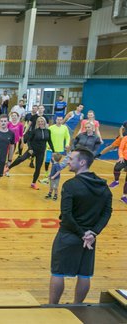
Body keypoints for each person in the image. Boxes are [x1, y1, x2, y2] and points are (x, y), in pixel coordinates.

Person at [48, 148, 112, 304]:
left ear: (82, 162)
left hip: (69, 235)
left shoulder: (70, 185)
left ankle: (51, 308)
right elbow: (107, 212)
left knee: (58, 272)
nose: (68, 161)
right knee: (85, 274)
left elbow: (67, 215)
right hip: (89, 239)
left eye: (71, 159)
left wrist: (82, 234)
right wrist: (93, 233)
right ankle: (78, 306)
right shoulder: (103, 186)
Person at [6, 116, 55, 190]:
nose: (40, 123)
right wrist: (30, 148)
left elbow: (50, 141)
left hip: (41, 152)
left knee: (38, 168)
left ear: (44, 122)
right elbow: (29, 140)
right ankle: (8, 168)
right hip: (32, 150)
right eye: (39, 122)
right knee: (21, 159)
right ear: (37, 123)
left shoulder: (48, 131)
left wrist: (53, 151)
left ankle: (33, 183)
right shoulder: (35, 131)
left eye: (42, 121)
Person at [41, 116, 70, 183]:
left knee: (56, 163)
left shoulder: (65, 128)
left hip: (60, 149)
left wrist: (67, 144)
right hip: (50, 148)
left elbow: (67, 137)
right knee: (47, 160)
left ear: (62, 120)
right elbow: (47, 138)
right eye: (58, 119)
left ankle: (53, 174)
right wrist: (47, 145)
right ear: (55, 120)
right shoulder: (51, 128)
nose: (59, 121)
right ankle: (46, 172)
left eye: (60, 119)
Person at [109, 135, 127, 205]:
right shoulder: (125, 138)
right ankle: (116, 181)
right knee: (117, 168)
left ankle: (124, 196)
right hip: (124, 158)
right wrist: (121, 156)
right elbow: (121, 148)